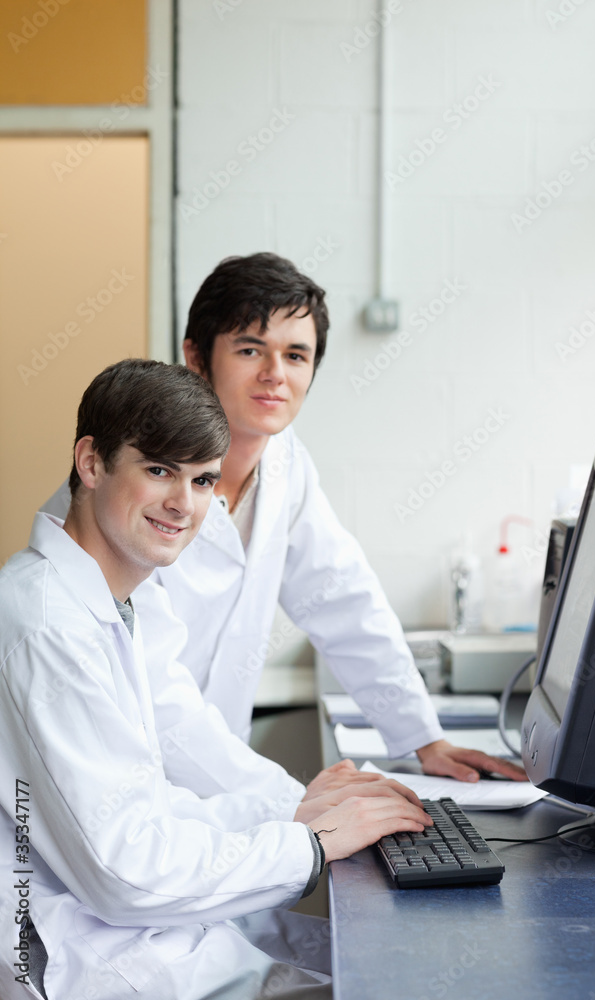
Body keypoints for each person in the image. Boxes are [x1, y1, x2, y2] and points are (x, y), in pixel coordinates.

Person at [1, 359, 432, 1000]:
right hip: (87, 963)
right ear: (91, 464)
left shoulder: (107, 603)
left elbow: (148, 805)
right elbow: (125, 872)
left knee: (388, 966)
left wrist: (289, 812)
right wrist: (310, 845)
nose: (184, 504)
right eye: (158, 471)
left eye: (203, 480)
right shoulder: (47, 624)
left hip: (143, 939)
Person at [43, 254, 524, 782]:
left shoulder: (285, 464)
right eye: (251, 349)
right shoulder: (128, 486)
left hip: (211, 777)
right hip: (118, 774)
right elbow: (155, 679)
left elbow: (345, 601)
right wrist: (284, 802)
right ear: (196, 357)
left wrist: (423, 739)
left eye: (296, 355)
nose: (275, 375)